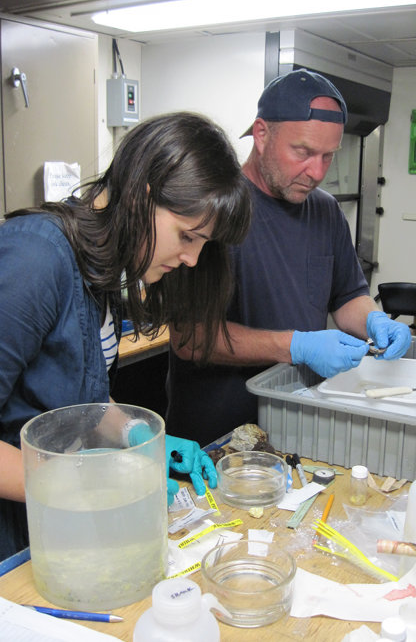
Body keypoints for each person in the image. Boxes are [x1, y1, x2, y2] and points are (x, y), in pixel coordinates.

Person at [0, 111, 252, 561]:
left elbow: (82, 395)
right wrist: (87, 482)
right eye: (187, 236)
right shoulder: (35, 258)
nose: (193, 259)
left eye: (204, 245)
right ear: (142, 196)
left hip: (47, 527)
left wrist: (137, 435)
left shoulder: (100, 269)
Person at [166, 69, 411, 447]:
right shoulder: (212, 209)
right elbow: (190, 338)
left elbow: (347, 298)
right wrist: (297, 346)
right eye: (303, 152)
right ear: (262, 134)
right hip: (214, 439)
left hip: (296, 426)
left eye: (328, 156)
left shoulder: (326, 212)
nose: (316, 172)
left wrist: (374, 321)